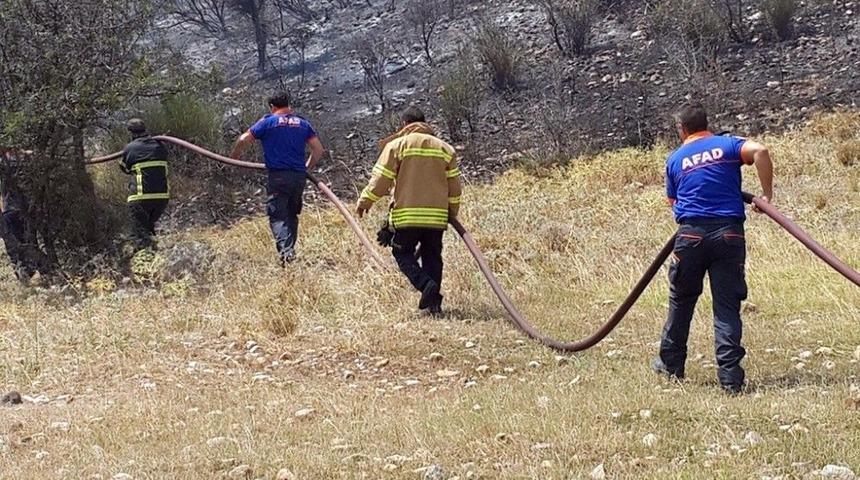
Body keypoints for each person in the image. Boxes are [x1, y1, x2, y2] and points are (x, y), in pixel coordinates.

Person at [653, 103, 774, 394]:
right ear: (707, 124)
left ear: (682, 129)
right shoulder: (727, 145)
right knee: (726, 305)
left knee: (681, 301)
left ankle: (670, 366)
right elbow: (760, 151)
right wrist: (766, 196)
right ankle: (730, 380)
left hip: (690, 235)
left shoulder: (675, 159)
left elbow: (673, 203)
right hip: (729, 234)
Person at [355, 106, 463, 315]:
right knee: (432, 256)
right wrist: (452, 212)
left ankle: (425, 285)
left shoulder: (397, 145)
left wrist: (365, 201)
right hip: (436, 218)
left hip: (407, 216)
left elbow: (381, 180)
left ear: (405, 124)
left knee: (402, 252)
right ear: (424, 123)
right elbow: (454, 187)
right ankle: (434, 305)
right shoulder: (445, 149)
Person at [231, 92, 325, 265]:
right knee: (291, 214)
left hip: (278, 176)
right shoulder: (303, 124)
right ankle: (289, 255)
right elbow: (318, 150)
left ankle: (287, 254)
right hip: (298, 178)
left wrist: (234, 157)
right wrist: (306, 168)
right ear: (288, 105)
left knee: (278, 215)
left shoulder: (268, 122)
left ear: (272, 107)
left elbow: (244, 139)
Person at [0, 147, 50, 282]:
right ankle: (43, 272)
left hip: (15, 210)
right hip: (28, 209)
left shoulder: (7, 160)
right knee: (28, 243)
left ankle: (44, 272)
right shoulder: (22, 157)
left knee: (19, 247)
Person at [121, 119, 170, 250]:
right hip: (161, 198)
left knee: (139, 233)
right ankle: (154, 252)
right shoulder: (160, 145)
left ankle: (143, 256)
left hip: (140, 198)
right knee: (148, 228)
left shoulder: (130, 148)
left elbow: (124, 168)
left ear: (130, 133)